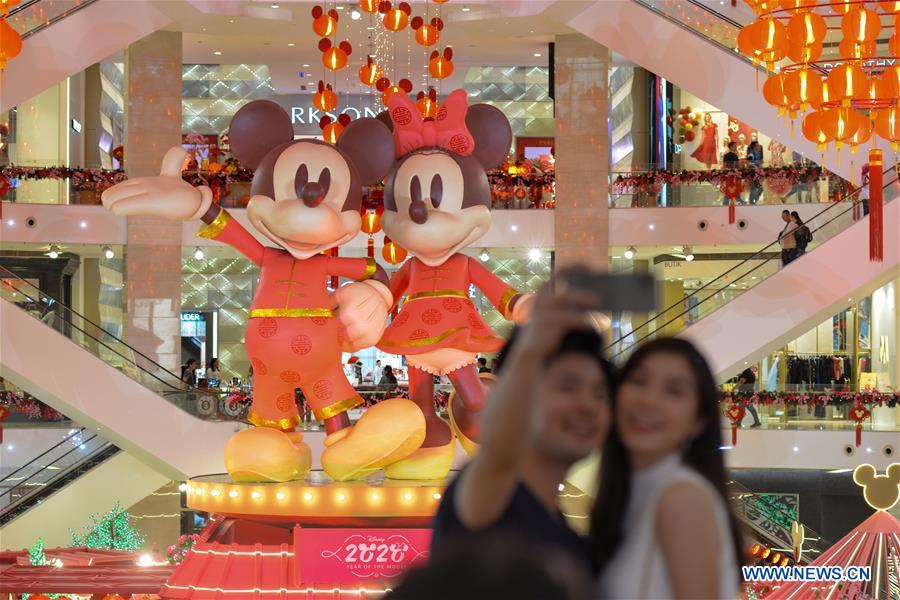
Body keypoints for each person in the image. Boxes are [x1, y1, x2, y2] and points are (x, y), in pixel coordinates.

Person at [431, 279, 614, 578]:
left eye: (599, 392)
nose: (586, 405)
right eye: (568, 387)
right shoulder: (490, 494)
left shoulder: (564, 530)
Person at [591, 338, 743, 599]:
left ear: (698, 421)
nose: (649, 400)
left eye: (674, 391)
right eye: (639, 381)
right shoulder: (633, 493)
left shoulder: (683, 498)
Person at [746, 141, 764, 205]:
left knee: (760, 189)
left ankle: (753, 202)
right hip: (753, 175)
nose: (759, 147)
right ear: (755, 147)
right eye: (758, 145)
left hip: (757, 175)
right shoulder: (751, 154)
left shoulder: (757, 154)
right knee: (755, 189)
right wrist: (756, 165)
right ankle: (752, 202)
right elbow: (748, 163)